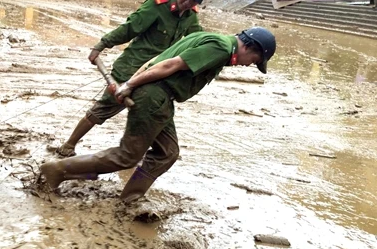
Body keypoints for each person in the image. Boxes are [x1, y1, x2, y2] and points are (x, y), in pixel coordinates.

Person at [40, 28, 276, 208]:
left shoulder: (210, 37)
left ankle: (129, 199)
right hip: (155, 96)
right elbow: (170, 64)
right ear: (250, 48)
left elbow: (155, 60)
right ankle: (57, 169)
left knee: (167, 153)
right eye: (254, 61)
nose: (248, 66)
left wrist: (130, 84)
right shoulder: (220, 48)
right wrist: (130, 84)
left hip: (160, 97)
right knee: (127, 156)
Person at [56, 0, 213, 158]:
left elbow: (197, 39)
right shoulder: (157, 6)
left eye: (194, 1)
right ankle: (68, 145)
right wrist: (101, 45)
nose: (188, 3)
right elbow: (129, 28)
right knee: (104, 108)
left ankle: (134, 155)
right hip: (130, 69)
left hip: (156, 76)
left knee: (151, 117)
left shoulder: (190, 16)